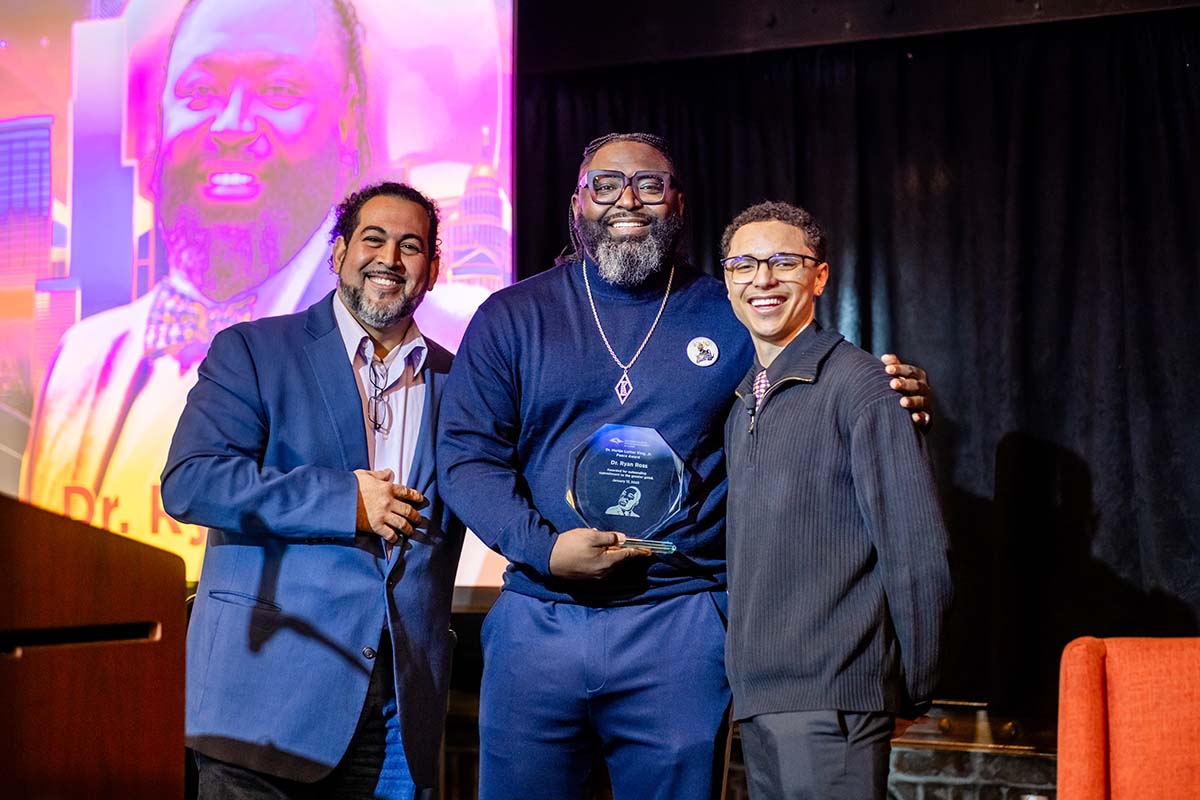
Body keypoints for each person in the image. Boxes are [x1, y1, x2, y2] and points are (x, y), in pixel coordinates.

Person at [437, 132, 933, 799]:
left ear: (678, 203)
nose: (628, 200)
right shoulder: (511, 316)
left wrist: (895, 385)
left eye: (650, 184)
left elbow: (818, 391)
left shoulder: (729, 314)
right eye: (606, 184)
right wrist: (546, 550)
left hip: (681, 619)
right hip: (538, 618)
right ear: (576, 203)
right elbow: (468, 458)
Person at [20, 0, 368, 577]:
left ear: (348, 120)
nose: (230, 126)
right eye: (200, 94)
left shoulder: (410, 357)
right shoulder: (77, 359)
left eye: (279, 91)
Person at [160, 181, 463, 799]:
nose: (390, 259)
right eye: (372, 239)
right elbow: (192, 481)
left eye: (412, 246)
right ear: (338, 253)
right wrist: (345, 502)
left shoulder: (457, 379)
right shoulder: (254, 350)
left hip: (401, 712)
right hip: (265, 697)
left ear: (432, 269)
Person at [720, 201, 952, 800]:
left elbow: (917, 551)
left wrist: (911, 685)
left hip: (835, 698)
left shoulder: (861, 384)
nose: (762, 279)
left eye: (784, 262)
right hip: (761, 700)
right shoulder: (743, 397)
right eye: (744, 264)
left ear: (819, 276)